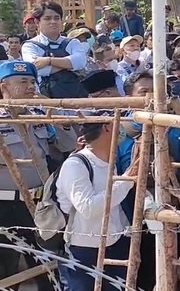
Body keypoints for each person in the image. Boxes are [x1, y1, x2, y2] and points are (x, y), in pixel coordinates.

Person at [56, 114, 139, 291]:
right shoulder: (76, 165)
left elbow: (114, 204)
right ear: (107, 128)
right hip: (85, 249)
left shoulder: (109, 162)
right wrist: (126, 181)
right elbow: (88, 207)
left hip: (115, 243)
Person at [0, 61, 57, 291]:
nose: (30, 87)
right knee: (6, 266)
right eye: (22, 81)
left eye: (32, 81)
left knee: (47, 263)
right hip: (5, 203)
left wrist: (59, 122)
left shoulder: (39, 114)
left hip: (39, 203)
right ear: (3, 86)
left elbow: (64, 145)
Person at [21, 1, 89, 99]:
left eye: (56, 18)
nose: (53, 21)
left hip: (76, 98)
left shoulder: (72, 42)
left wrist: (48, 61)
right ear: (37, 22)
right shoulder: (30, 46)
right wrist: (69, 65)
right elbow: (36, 69)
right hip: (46, 100)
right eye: (47, 18)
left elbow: (80, 61)